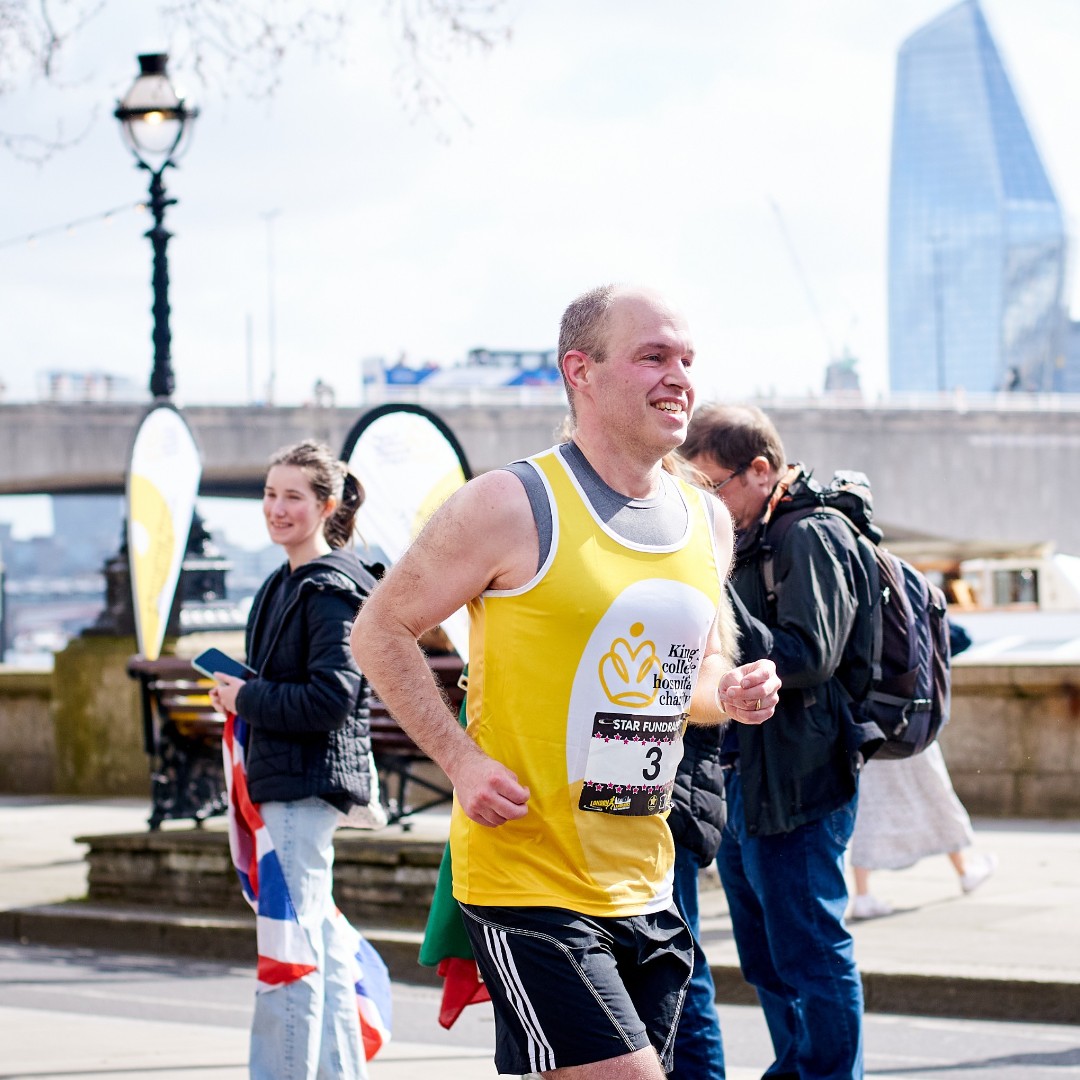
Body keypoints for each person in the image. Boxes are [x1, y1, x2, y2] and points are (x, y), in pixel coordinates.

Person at [352, 284, 780, 1080]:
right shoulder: (510, 503)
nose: (680, 377)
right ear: (580, 371)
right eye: (653, 356)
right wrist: (460, 760)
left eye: (687, 359)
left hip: (648, 879)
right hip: (529, 877)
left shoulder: (707, 520)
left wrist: (731, 695)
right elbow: (379, 629)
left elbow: (693, 672)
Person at [682, 403, 877, 1080]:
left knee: (810, 948)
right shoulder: (757, 535)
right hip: (749, 776)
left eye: (710, 486)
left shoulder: (810, 534)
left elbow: (811, 653)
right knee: (766, 953)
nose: (702, 502)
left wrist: (713, 590)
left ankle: (826, 1073)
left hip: (803, 778)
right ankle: (796, 1067)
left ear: (760, 471)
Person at [209, 440, 378, 1080]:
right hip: (288, 783)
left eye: (292, 497)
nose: (276, 509)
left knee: (292, 953)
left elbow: (332, 697)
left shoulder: (327, 590)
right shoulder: (284, 584)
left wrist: (245, 696)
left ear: (326, 505)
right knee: (320, 950)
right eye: (269, 494)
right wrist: (244, 690)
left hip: (303, 787)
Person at [849, 623, 996, 919]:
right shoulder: (904, 593)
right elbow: (960, 637)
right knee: (935, 795)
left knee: (869, 808)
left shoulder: (855, 593)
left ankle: (863, 893)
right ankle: (964, 870)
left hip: (868, 719)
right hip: (907, 719)